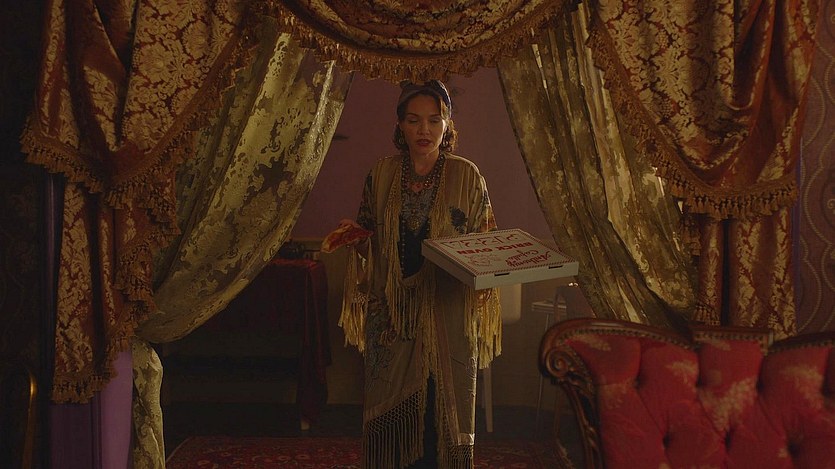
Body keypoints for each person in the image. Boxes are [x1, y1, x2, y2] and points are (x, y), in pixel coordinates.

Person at [337, 80, 502, 468]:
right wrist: (356, 239)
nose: (424, 130)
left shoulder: (467, 175)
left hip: (448, 311)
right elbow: (369, 238)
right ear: (400, 125)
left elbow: (487, 242)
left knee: (440, 413)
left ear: (447, 125)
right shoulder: (381, 174)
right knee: (392, 417)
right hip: (391, 315)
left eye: (433, 120)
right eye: (413, 120)